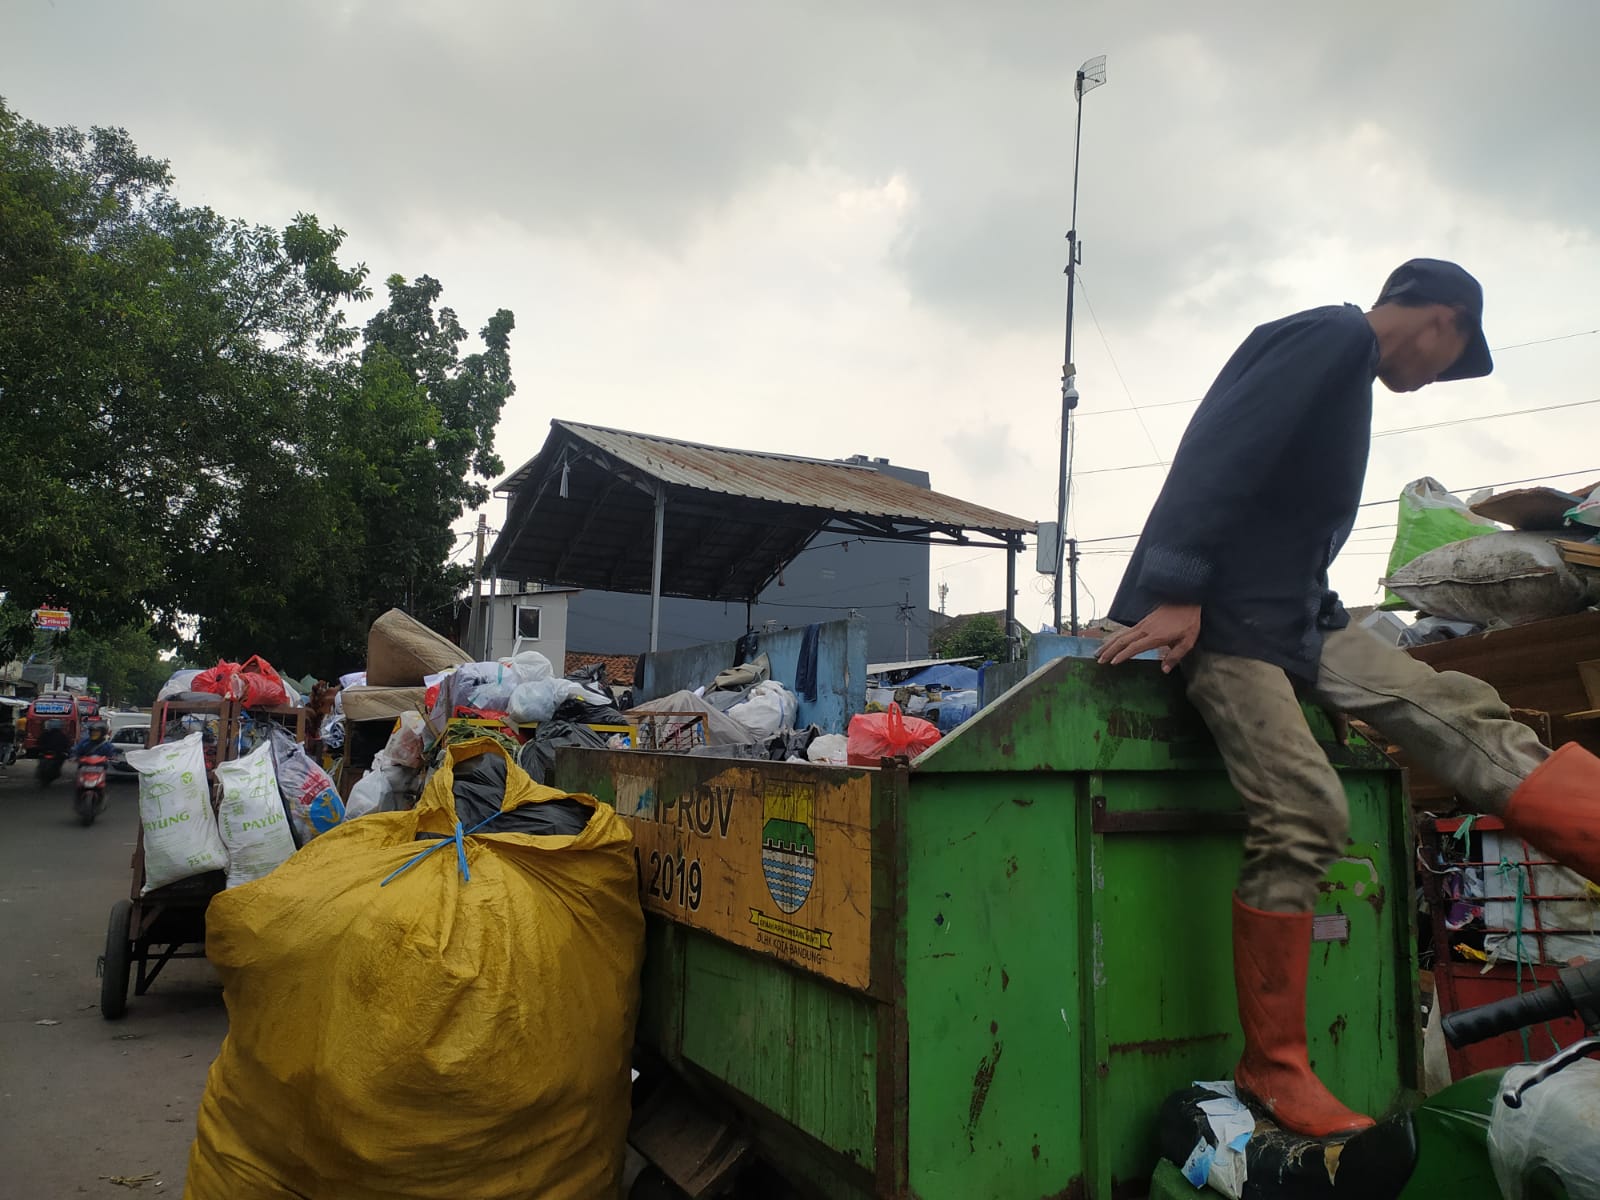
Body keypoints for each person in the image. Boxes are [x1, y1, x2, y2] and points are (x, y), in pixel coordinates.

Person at [1096, 259, 1600, 1138]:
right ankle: (1273, 1068)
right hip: (1220, 621)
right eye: (1453, 358)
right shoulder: (1329, 337)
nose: (1437, 376)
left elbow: (1284, 530)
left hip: (1293, 618)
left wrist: (1336, 628)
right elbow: (1220, 448)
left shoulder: (1348, 375)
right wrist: (1175, 588)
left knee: (1458, 708)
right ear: (1443, 319)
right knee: (1308, 810)